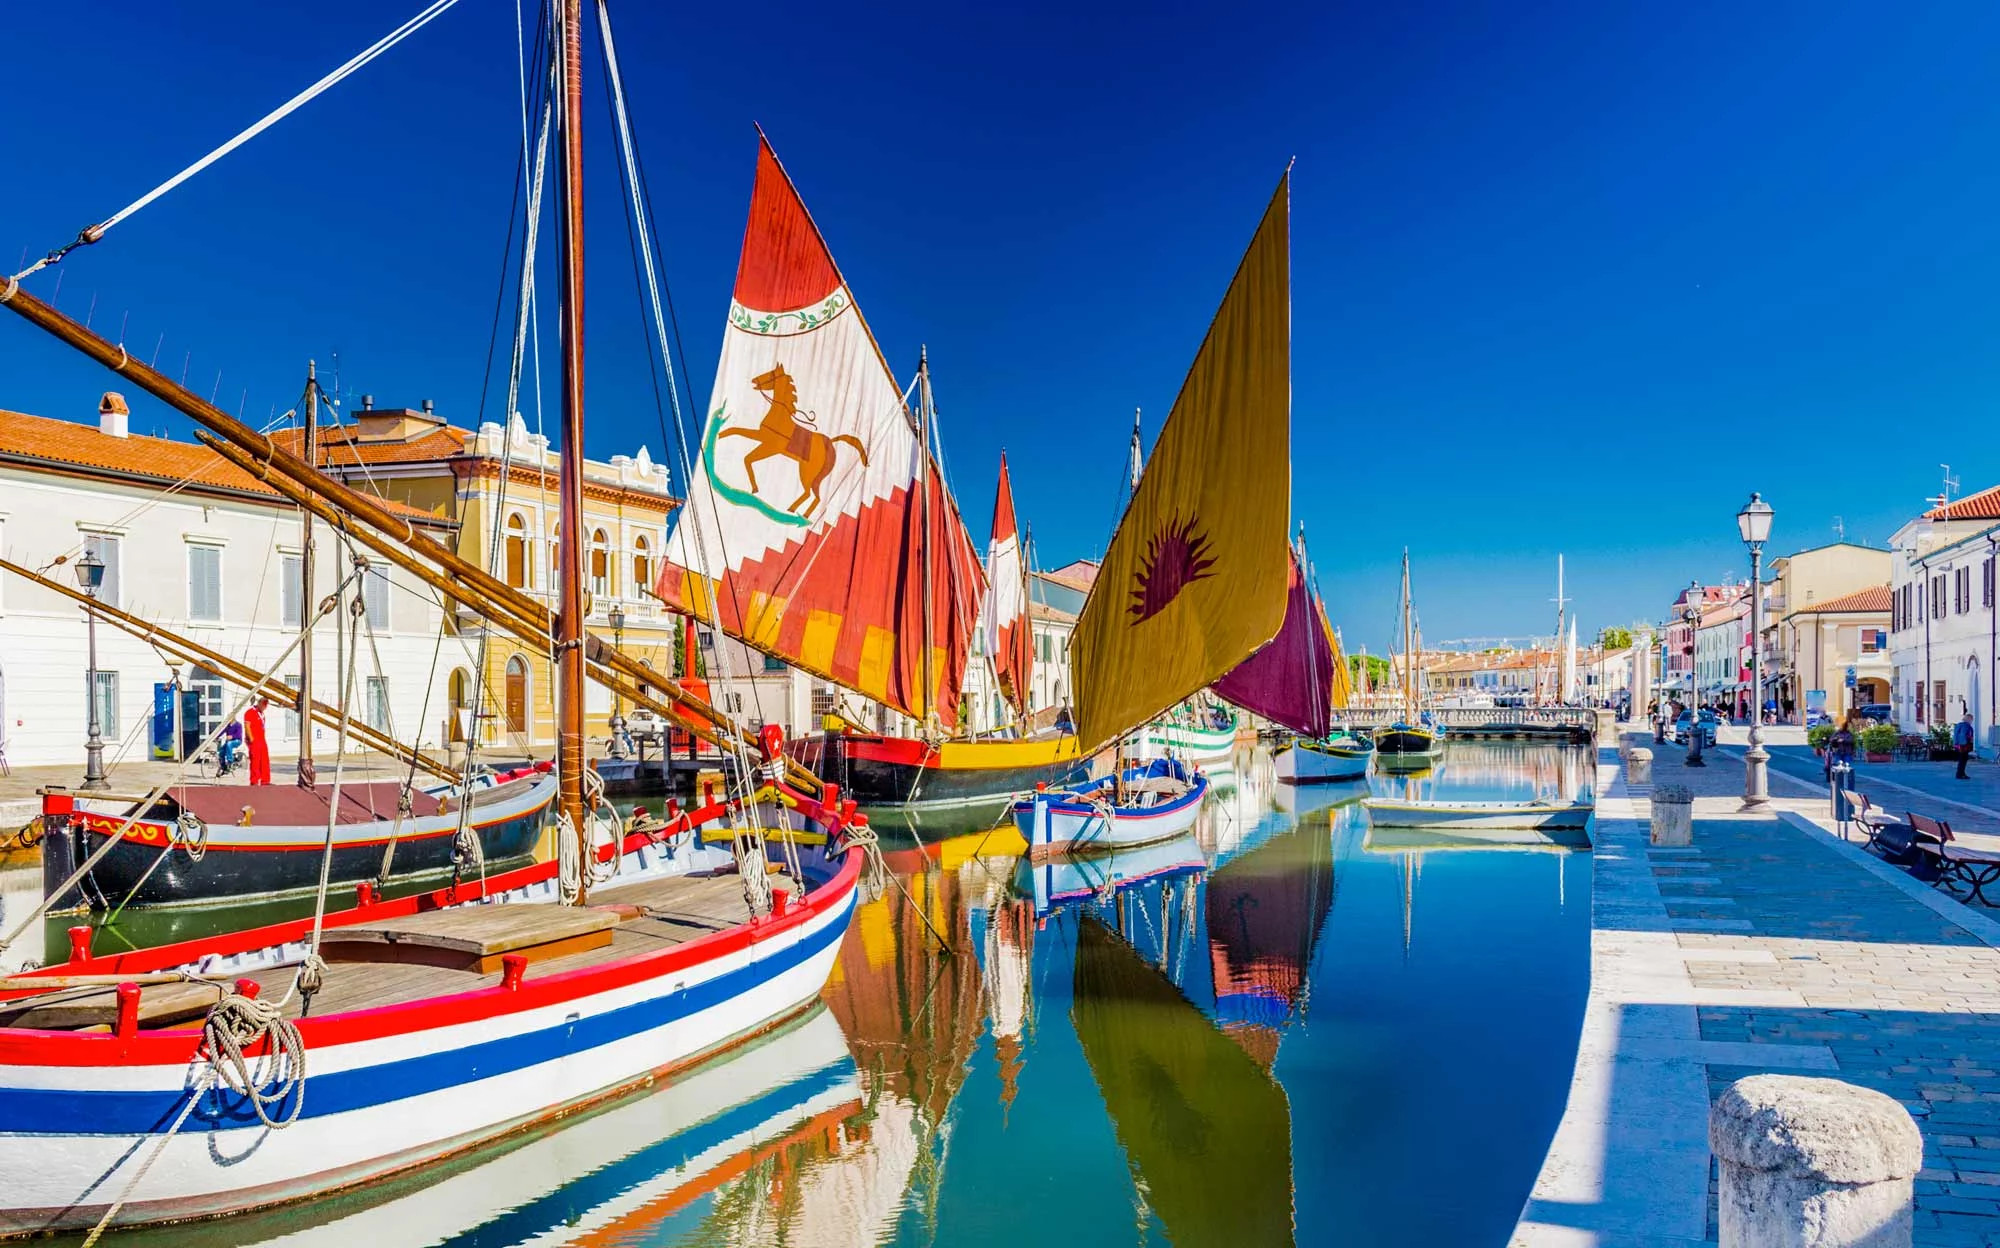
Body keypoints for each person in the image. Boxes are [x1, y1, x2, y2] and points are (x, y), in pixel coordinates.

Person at [244, 695, 272, 786]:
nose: (265, 707)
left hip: (262, 739)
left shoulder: (262, 714)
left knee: (265, 760)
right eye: (263, 705)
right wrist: (251, 739)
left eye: (266, 706)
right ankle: (254, 780)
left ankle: (265, 780)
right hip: (255, 740)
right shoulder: (250, 712)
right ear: (259, 703)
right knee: (255, 761)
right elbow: (247, 726)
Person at [1954, 711, 1976, 780]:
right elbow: (1964, 735)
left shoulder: (1959, 725)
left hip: (1959, 745)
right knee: (1963, 760)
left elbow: (1956, 735)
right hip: (1964, 746)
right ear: (1969, 719)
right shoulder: (1966, 726)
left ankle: (1961, 773)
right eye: (1971, 719)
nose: (1972, 721)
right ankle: (1960, 774)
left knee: (1962, 760)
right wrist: (1966, 742)